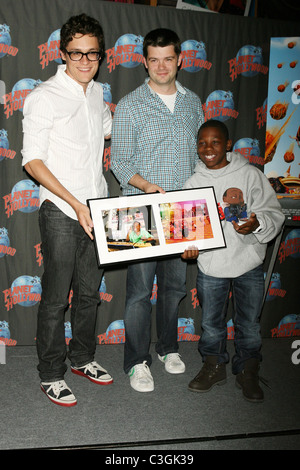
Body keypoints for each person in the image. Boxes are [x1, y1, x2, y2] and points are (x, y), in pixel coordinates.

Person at [21, 13, 113, 407]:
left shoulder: (97, 92)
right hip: (62, 210)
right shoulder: (43, 96)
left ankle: (82, 358)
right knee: (57, 298)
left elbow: (111, 130)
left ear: (101, 56)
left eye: (92, 53)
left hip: (98, 207)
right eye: (76, 52)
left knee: (89, 295)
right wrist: (76, 204)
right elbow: (32, 162)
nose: (84, 61)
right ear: (62, 52)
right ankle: (50, 373)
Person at [111, 28, 204, 392]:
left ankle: (168, 348)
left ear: (180, 60)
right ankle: (136, 361)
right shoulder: (130, 104)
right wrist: (148, 186)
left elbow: (200, 158)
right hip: (139, 207)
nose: (162, 66)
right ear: (144, 62)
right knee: (138, 291)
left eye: (168, 59)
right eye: (154, 59)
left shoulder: (193, 102)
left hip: (183, 209)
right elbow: (119, 161)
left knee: (174, 288)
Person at [182, 120, 285, 403]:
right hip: (212, 266)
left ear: (228, 145)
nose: (208, 148)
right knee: (212, 324)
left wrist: (256, 223)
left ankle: (248, 369)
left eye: (215, 142)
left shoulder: (251, 176)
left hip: (248, 263)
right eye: (202, 143)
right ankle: (214, 365)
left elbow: (273, 214)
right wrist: (188, 247)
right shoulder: (193, 183)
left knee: (249, 324)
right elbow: (187, 229)